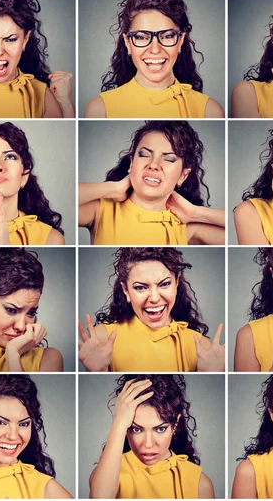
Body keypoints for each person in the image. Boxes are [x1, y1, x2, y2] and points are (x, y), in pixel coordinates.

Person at [78, 248, 224, 372]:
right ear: (126, 291)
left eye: (164, 284)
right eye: (140, 287)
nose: (154, 298)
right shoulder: (101, 339)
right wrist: (98, 372)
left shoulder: (203, 348)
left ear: (176, 283)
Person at [79, 121, 225, 245]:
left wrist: (196, 212)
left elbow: (240, 226)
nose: (154, 164)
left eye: (168, 159)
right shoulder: (101, 209)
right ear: (132, 163)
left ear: (183, 175)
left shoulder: (186, 227)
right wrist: (114, 188)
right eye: (145, 155)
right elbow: (67, 200)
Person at [84, 0, 223, 118]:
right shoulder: (99, 110)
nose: (155, 49)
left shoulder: (210, 111)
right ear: (127, 43)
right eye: (142, 37)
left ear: (180, 41)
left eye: (167, 36)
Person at [90, 375, 215, 498]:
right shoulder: (109, 475)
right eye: (136, 429)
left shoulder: (200, 484)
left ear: (175, 424)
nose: (148, 444)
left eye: (160, 429)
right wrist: (119, 422)